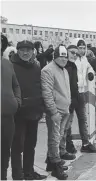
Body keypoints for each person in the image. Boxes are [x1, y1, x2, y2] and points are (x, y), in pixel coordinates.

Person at [9, 40, 46, 180]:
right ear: (18, 51)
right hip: (18, 113)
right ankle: (17, 176)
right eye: (22, 50)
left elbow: (39, 88)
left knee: (31, 145)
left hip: (34, 111)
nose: (25, 53)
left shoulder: (36, 67)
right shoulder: (10, 66)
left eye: (28, 50)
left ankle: (29, 172)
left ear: (33, 52)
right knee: (17, 146)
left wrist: (41, 107)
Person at [41, 45, 72, 180]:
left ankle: (50, 162)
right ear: (55, 57)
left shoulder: (64, 70)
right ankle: (55, 166)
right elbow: (47, 93)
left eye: (65, 57)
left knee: (59, 137)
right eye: (61, 57)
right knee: (54, 138)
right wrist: (53, 111)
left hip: (64, 109)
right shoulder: (47, 70)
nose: (64, 59)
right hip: (56, 111)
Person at [65, 43, 96, 153]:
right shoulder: (70, 60)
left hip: (82, 92)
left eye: (84, 48)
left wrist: (90, 73)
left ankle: (85, 143)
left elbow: (89, 67)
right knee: (68, 121)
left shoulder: (84, 59)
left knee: (83, 118)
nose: (82, 50)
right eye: (80, 48)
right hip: (70, 93)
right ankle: (68, 143)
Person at [1, 35, 22, 180]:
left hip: (8, 116)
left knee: (4, 153)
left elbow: (16, 85)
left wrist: (17, 101)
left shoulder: (7, 64)